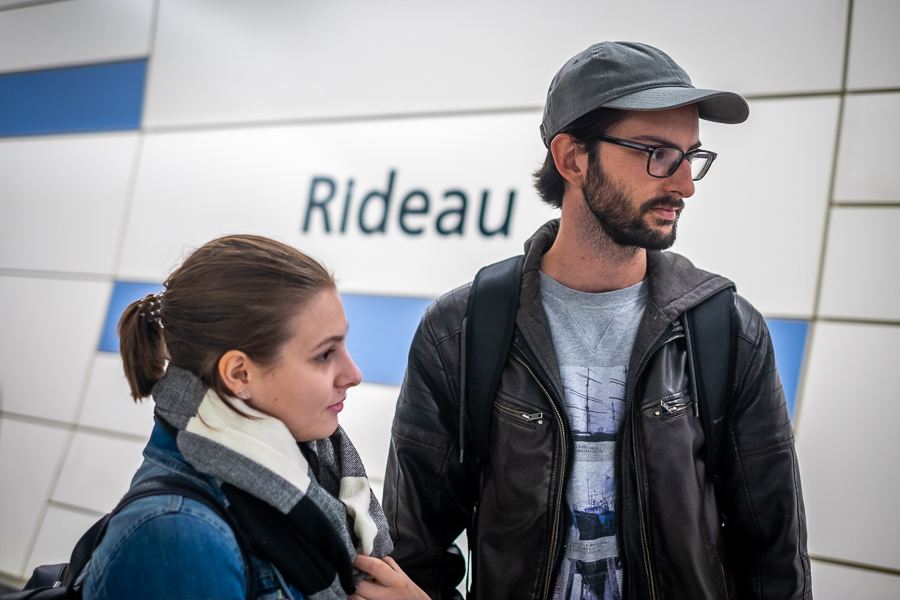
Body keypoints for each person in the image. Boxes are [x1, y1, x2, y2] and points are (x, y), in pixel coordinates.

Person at [383, 42, 811, 600]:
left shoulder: (726, 329)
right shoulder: (462, 329)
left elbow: (774, 555)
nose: (685, 185)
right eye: (657, 153)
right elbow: (412, 552)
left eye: (692, 156)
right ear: (572, 158)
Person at [83, 235, 427, 600]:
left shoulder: (310, 471)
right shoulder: (178, 537)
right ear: (239, 374)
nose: (353, 374)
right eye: (325, 354)